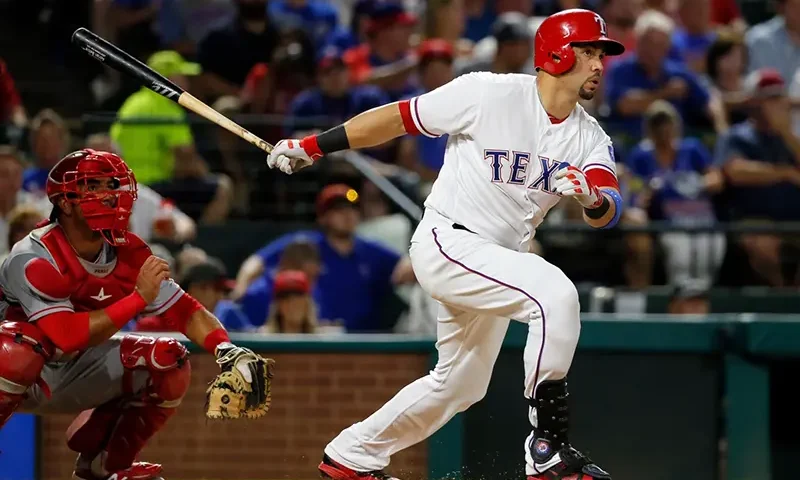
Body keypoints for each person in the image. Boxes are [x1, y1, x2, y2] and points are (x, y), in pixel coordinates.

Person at [267, 9, 625, 480]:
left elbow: (608, 208)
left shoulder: (588, 135)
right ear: (557, 52)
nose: (599, 63)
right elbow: (397, 119)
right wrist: (313, 146)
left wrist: (594, 198)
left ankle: (351, 457)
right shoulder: (487, 93)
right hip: (448, 240)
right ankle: (548, 448)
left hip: (498, 262)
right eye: (589, 51)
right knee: (554, 294)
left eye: (602, 53)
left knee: (460, 385)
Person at [0, 149, 272, 480]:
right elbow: (65, 334)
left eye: (111, 184)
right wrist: (138, 298)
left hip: (72, 368)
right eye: (93, 186)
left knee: (169, 359)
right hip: (18, 369)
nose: (109, 195)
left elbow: (185, 310)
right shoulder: (33, 255)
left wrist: (226, 350)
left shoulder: (128, 251)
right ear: (66, 202)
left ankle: (104, 466)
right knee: (18, 345)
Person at [259, 269, 319, 333]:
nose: (292, 302)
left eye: (298, 294)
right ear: (277, 304)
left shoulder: (321, 339)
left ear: (307, 302)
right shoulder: (263, 339)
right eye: (285, 296)